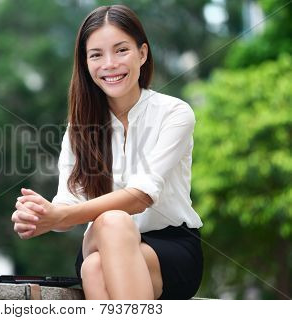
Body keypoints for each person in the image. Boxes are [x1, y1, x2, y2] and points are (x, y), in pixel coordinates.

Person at [11, 4, 203, 300]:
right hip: (99, 240)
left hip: (170, 251)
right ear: (85, 63)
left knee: (96, 264)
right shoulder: (79, 130)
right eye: (97, 55)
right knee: (110, 224)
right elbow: (67, 201)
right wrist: (41, 214)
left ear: (142, 53)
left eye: (121, 50)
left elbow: (141, 197)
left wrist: (60, 217)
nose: (110, 64)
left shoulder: (174, 113)